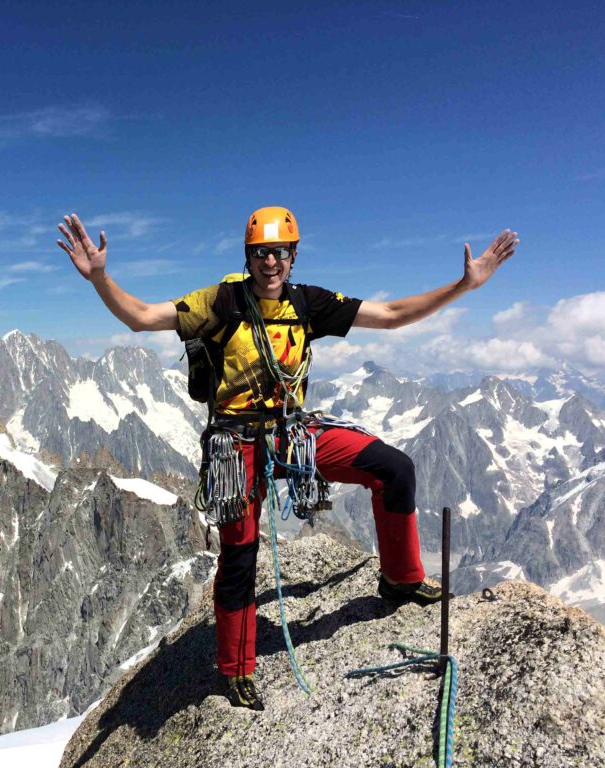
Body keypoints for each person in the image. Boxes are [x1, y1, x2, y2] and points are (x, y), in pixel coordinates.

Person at [57, 207, 518, 710]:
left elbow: (389, 316)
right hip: (236, 443)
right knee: (241, 553)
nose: (270, 262)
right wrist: (101, 278)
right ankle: (235, 669)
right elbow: (143, 317)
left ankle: (401, 580)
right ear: (248, 257)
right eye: (261, 253)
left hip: (290, 433)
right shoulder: (221, 301)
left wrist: (462, 286)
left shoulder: (308, 303)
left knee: (394, 468)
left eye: (279, 252)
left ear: (294, 256)